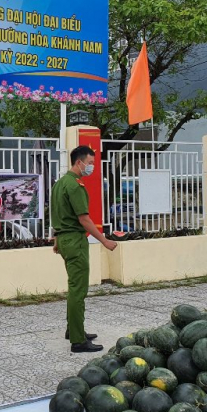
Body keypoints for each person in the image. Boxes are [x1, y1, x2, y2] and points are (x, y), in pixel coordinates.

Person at [51, 145, 117, 353]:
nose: (92, 167)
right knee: (78, 290)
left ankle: (74, 329)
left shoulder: (60, 184)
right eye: (89, 163)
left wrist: (56, 239)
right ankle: (78, 341)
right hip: (75, 240)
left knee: (74, 287)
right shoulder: (75, 186)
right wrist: (104, 240)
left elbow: (56, 215)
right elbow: (84, 219)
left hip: (64, 239)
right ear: (79, 162)